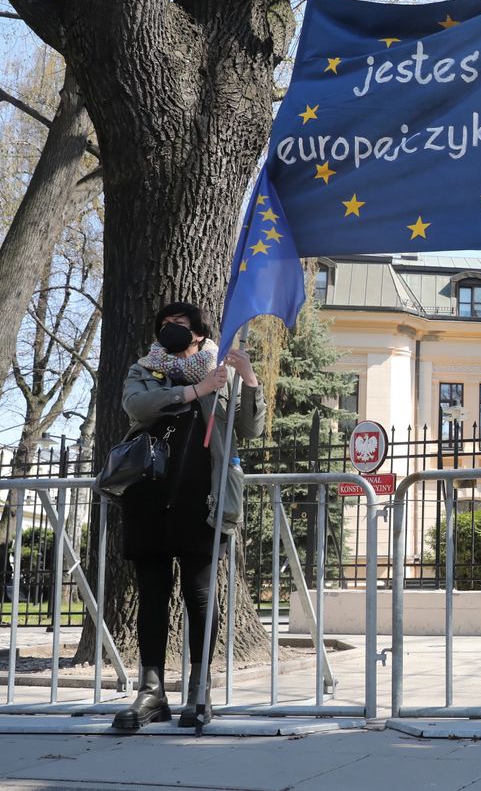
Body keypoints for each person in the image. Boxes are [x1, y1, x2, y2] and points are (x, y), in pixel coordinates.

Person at [111, 303, 264, 731]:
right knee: (152, 595)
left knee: (199, 596)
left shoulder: (222, 370)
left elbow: (249, 429)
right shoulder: (145, 368)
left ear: (198, 333)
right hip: (149, 497)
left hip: (202, 499)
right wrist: (194, 391)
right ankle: (151, 692)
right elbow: (137, 408)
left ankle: (200, 689)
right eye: (163, 326)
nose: (169, 331)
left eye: (178, 325)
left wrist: (246, 378)